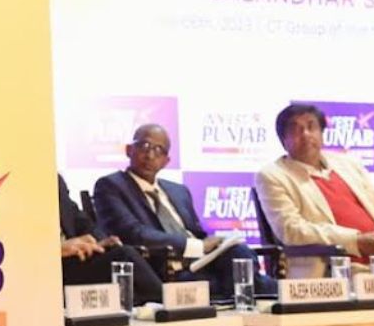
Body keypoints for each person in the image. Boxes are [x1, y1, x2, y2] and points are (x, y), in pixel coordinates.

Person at [94, 124, 276, 297]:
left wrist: (218, 243)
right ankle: (271, 291)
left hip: (202, 263)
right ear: (129, 150)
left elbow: (197, 233)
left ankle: (264, 290)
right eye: (144, 146)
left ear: (166, 161)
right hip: (166, 268)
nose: (150, 155)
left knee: (239, 253)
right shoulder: (111, 186)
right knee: (245, 283)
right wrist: (197, 246)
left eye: (159, 150)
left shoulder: (178, 191)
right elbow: (133, 233)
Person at [255, 103, 374, 278]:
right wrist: (355, 241)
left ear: (322, 134)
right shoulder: (273, 175)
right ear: (283, 140)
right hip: (337, 269)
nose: (306, 134)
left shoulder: (348, 164)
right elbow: (292, 230)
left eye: (311, 127)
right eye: (296, 130)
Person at [59, 174, 163, 305]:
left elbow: (80, 220)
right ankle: (168, 305)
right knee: (124, 256)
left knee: (119, 257)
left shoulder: (54, 180)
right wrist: (57, 248)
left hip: (74, 260)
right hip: (45, 267)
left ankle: (157, 308)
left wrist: (101, 242)